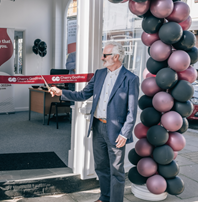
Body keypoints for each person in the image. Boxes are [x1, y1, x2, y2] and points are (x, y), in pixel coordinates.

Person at [49, 42, 139, 202]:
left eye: (105, 55)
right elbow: (83, 95)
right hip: (98, 127)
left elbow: (131, 112)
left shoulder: (130, 79)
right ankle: (105, 197)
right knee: (101, 167)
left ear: (116, 57)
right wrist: (61, 92)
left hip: (116, 132)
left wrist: (125, 133)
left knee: (116, 171)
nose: (102, 58)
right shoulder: (99, 74)